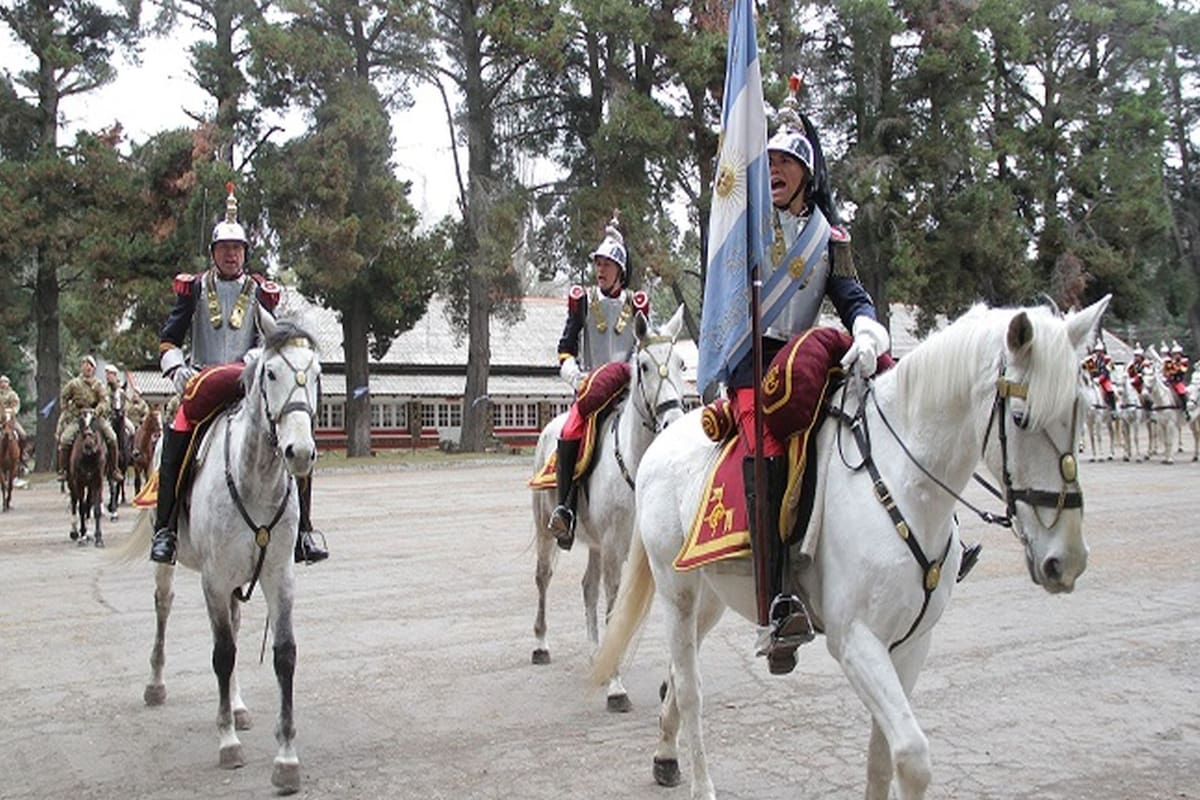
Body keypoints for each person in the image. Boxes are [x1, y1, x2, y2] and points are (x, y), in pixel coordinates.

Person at [149, 183, 328, 566]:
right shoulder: (194, 289)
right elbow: (168, 340)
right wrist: (177, 369)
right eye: (224, 249)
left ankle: (303, 530)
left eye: (237, 249)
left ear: (245, 254)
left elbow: (273, 339)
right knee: (174, 440)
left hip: (249, 386)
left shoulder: (261, 292)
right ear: (214, 253)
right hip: (201, 384)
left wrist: (256, 359)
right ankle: (165, 529)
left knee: (295, 438)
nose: (231, 256)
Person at [547, 214, 649, 551]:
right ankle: (565, 509)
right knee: (570, 430)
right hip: (590, 391)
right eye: (597, 263)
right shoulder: (583, 301)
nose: (600, 270)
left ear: (620, 269)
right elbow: (565, 348)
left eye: (606, 264)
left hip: (625, 393)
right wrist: (574, 376)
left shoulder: (637, 304)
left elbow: (644, 348)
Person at [57, 355, 122, 482]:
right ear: (81, 367)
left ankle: (114, 469)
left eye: (90, 366)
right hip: (79, 417)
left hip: (95, 417)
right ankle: (63, 469)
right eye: (85, 365)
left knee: (112, 437)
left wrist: (97, 410)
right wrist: (69, 410)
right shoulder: (74, 384)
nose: (88, 368)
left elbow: (104, 400)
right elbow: (64, 397)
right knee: (65, 439)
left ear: (93, 369)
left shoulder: (98, 385)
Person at [1081, 341, 1116, 413]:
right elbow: (1087, 367)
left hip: (1104, 380)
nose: (1098, 353)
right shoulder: (1093, 359)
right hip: (1093, 379)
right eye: (1097, 351)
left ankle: (1113, 410)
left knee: (1110, 391)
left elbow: (1107, 371)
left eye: (1100, 351)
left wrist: (1099, 379)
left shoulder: (1107, 360)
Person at [0, 374, 26, 443]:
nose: (3, 384)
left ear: (8, 383)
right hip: (0, 418)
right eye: (2, 382)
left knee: (23, 434)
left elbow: (17, 404)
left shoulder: (13, 394)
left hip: (10, 419)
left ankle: (22, 452)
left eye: (5, 382)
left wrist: (13, 411)